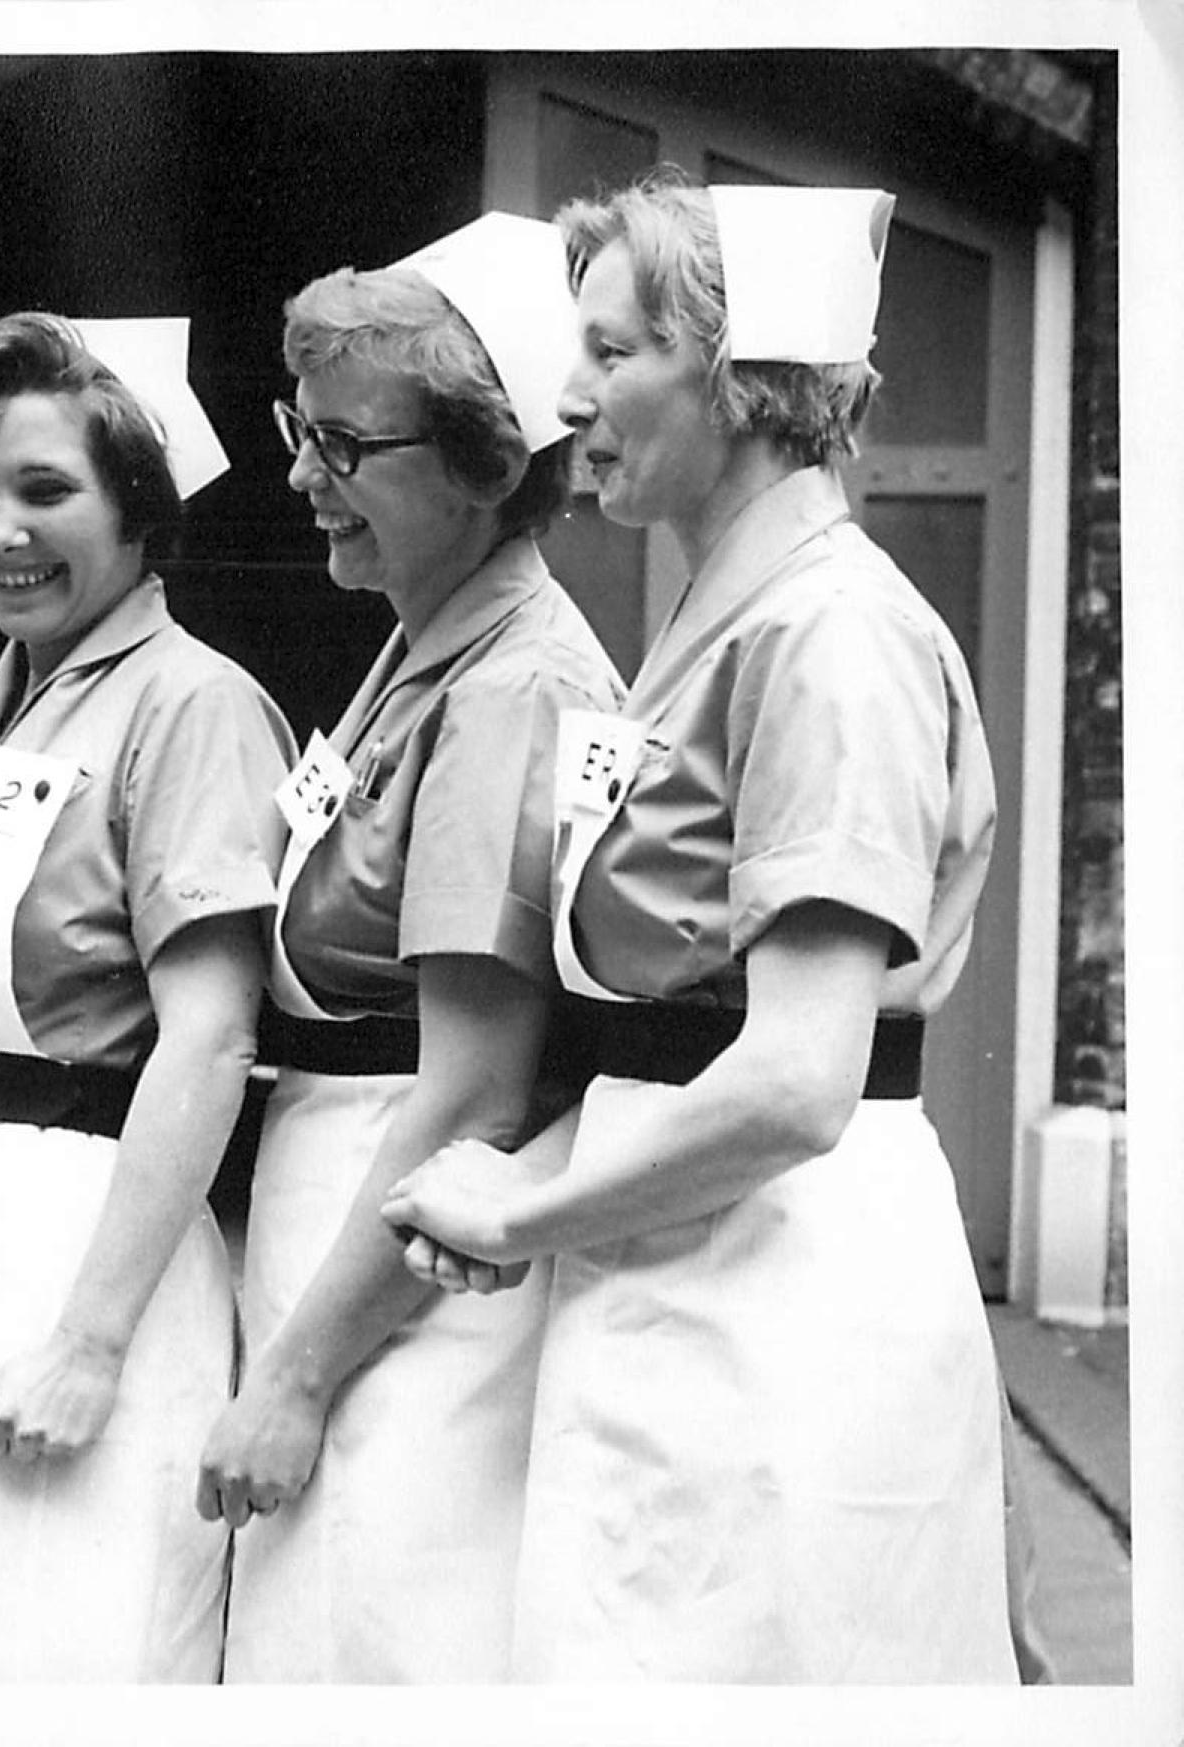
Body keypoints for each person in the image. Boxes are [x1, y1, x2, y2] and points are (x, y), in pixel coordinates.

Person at [378, 171, 1018, 1682]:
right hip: (684, 1278)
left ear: (738, 380)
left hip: (784, 1298)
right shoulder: (718, 617)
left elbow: (799, 1078)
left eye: (613, 352)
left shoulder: (830, 636)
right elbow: (676, 1017)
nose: (570, 391)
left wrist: (517, 1216)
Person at [0, 313, 292, 1683]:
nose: (2, 530)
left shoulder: (194, 708)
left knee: (59, 1645)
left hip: (80, 1235)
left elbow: (209, 1036)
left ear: (140, 505)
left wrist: (88, 1345)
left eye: (48, 491)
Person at [194, 216, 622, 1681]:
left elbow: (476, 1090)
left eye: (343, 447)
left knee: (383, 1646)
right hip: (351, 1213)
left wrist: (298, 1379)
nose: (303, 477)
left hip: (409, 1259)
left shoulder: (511, 687)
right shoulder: (419, 638)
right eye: (295, 432)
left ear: (486, 462)